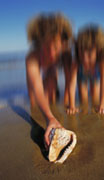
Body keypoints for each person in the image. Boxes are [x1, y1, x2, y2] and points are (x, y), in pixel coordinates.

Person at [26, 13, 72, 147]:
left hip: (52, 68)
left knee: (51, 81)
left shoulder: (65, 52)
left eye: (56, 47)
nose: (52, 53)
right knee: (32, 94)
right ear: (39, 43)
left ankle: (51, 101)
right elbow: (36, 84)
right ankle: (35, 105)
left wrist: (67, 102)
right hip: (39, 64)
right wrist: (49, 117)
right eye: (46, 47)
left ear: (63, 44)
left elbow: (69, 80)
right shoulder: (32, 56)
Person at [67, 24, 104, 115]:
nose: (85, 59)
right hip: (81, 75)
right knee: (84, 100)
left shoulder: (102, 61)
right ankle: (85, 115)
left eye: (90, 53)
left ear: (98, 50)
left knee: (95, 97)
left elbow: (103, 82)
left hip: (95, 74)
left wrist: (102, 106)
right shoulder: (76, 62)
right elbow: (72, 84)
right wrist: (72, 106)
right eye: (82, 53)